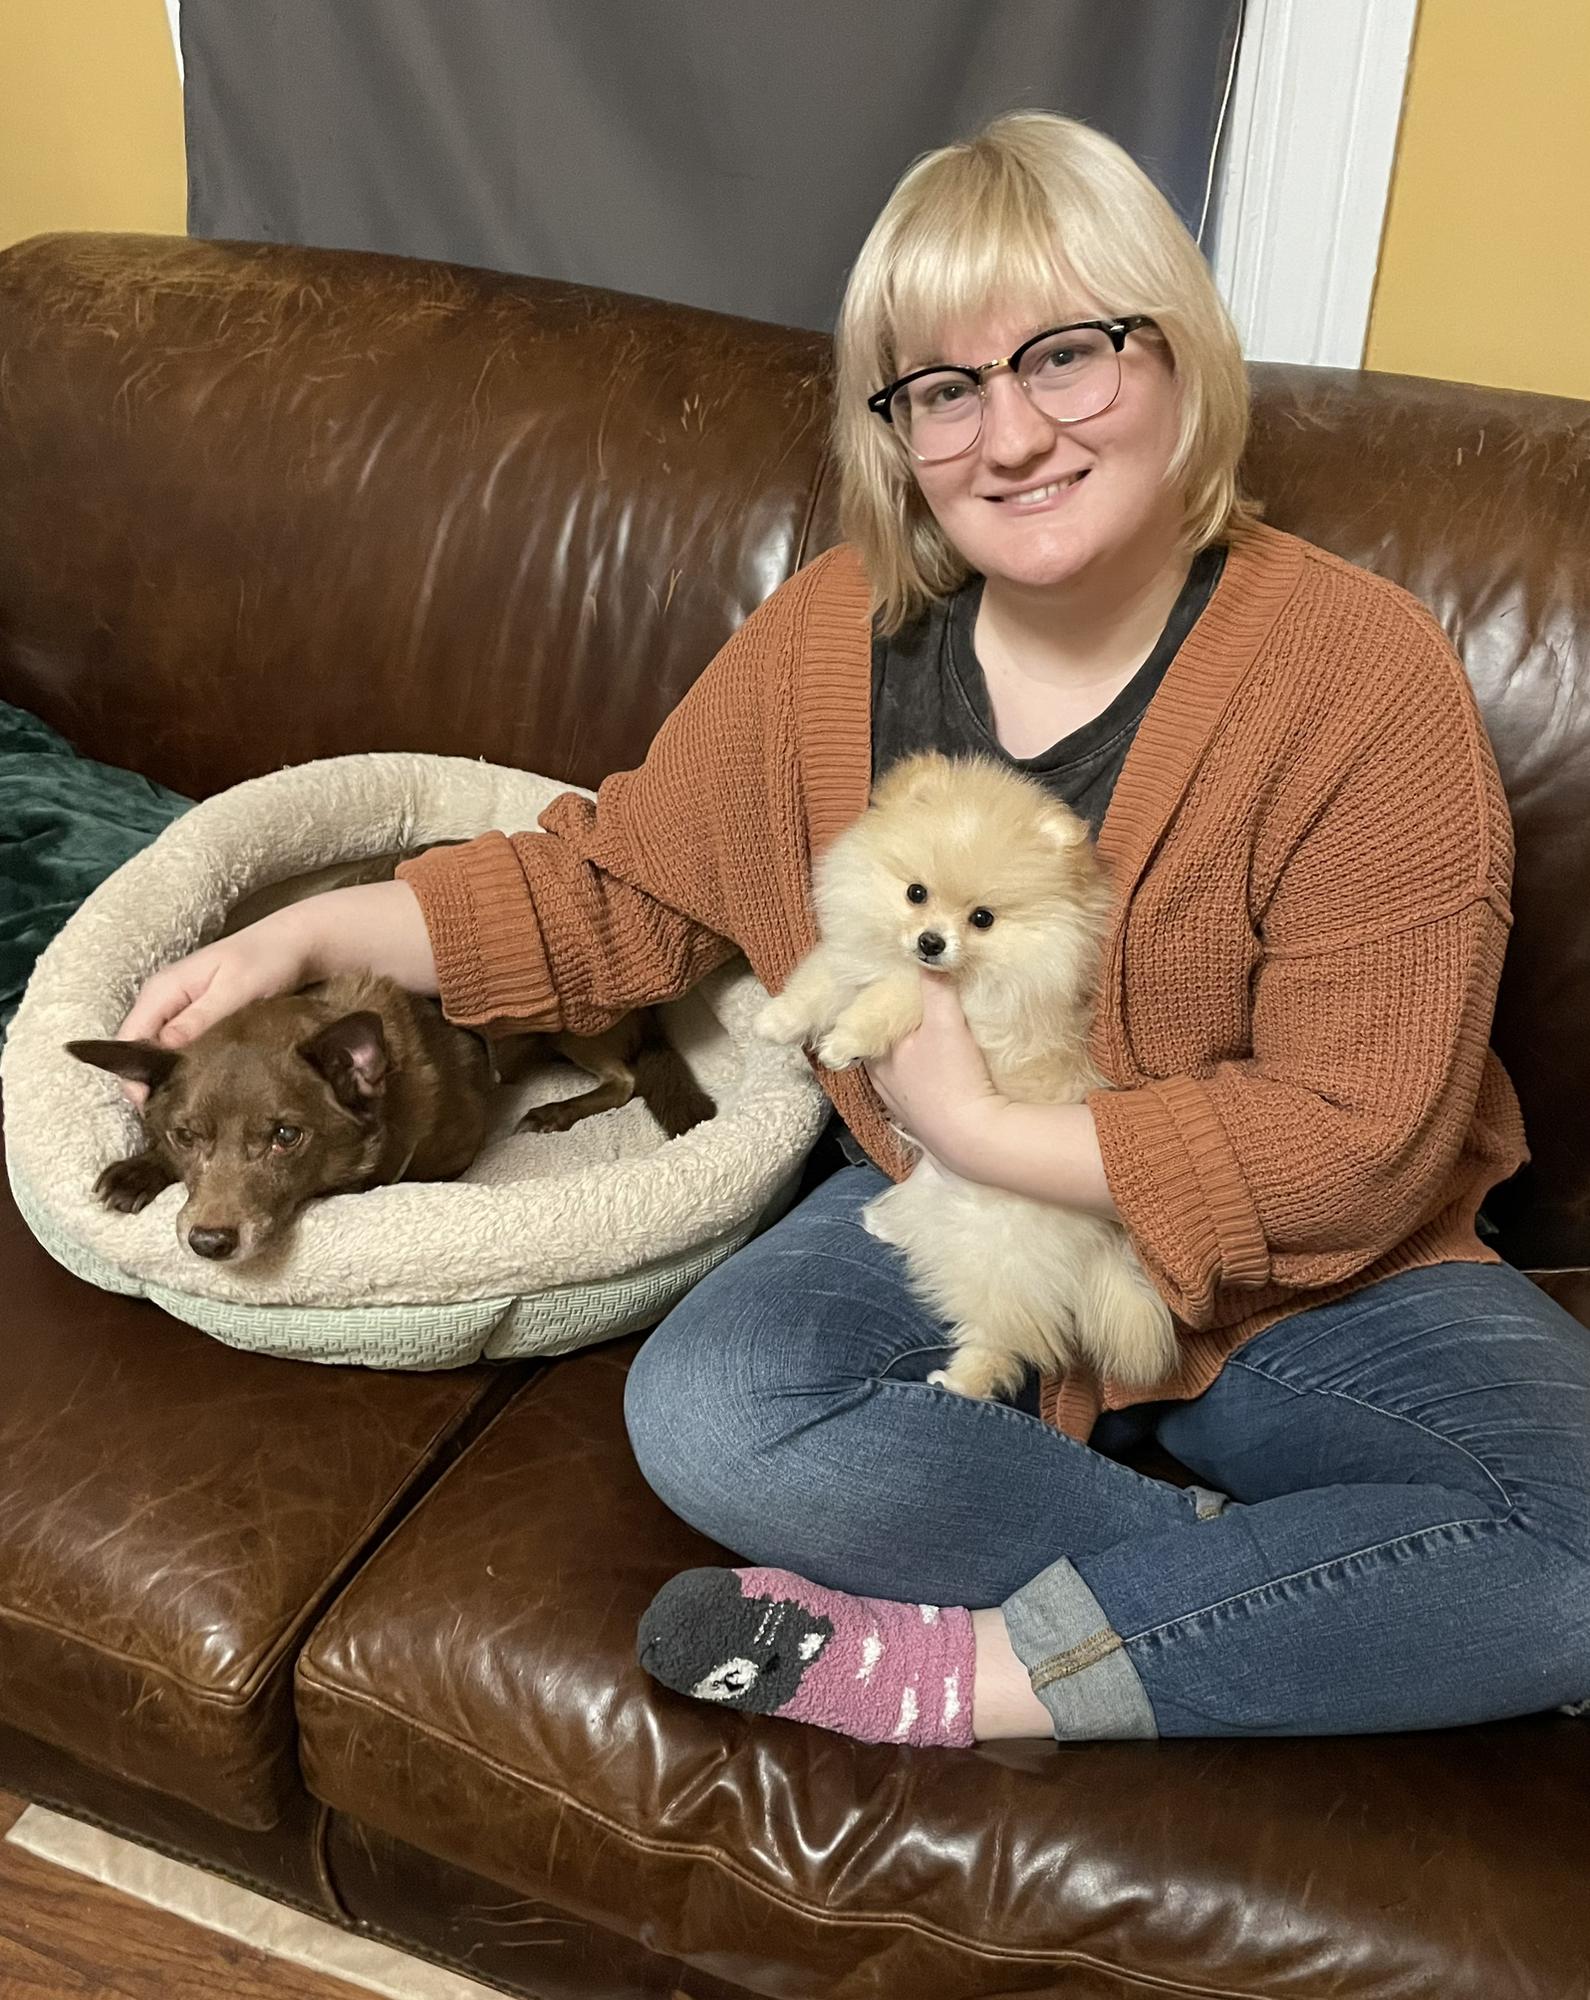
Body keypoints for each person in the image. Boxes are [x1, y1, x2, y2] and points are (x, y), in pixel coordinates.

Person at [120, 114, 1589, 1745]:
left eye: (1066, 356)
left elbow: (1359, 1139)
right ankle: (1272, 1592)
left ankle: (962, 1679)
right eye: (941, 389)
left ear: (1176, 356)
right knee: (713, 1415)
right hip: (942, 1224)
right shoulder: (832, 636)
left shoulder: (1360, 678)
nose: (1009, 435)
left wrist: (984, 1126)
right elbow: (624, 886)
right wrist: (308, 935)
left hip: (1304, 1282)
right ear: (893, 432)